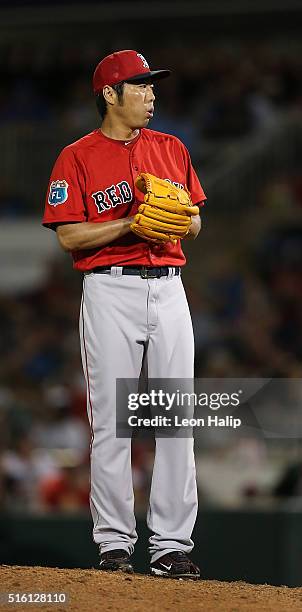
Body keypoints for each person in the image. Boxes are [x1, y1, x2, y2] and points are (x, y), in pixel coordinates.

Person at [42, 50, 206, 579]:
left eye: (151, 86)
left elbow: (196, 224)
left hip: (170, 287)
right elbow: (69, 235)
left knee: (176, 419)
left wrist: (177, 217)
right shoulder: (77, 157)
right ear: (109, 95)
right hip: (109, 290)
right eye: (139, 86)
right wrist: (128, 225)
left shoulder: (172, 148)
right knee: (112, 424)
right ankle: (115, 544)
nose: (151, 94)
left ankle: (172, 546)